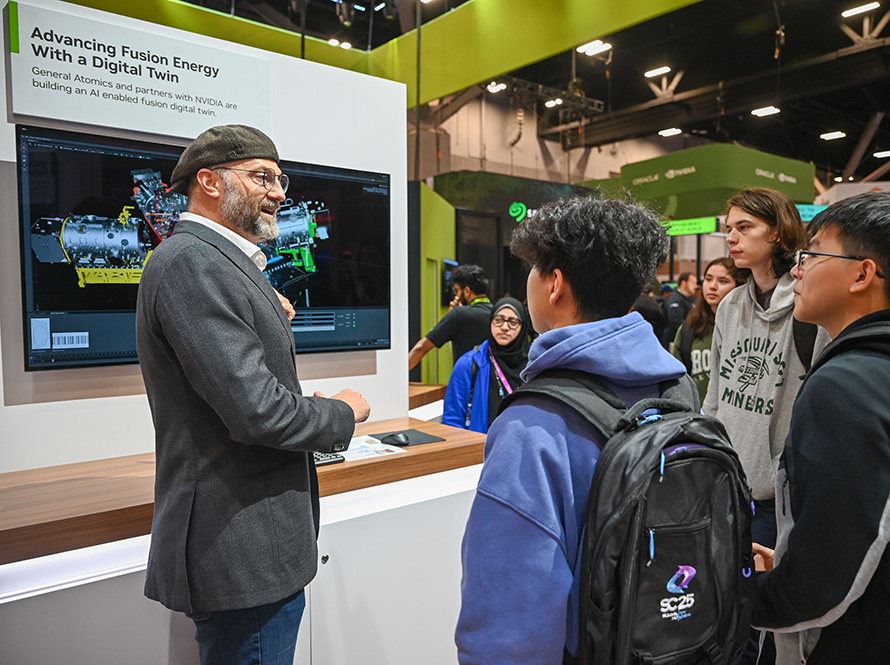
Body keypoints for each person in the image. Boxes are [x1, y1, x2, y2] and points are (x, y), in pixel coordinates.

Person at [135, 124, 370, 665]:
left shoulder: (220, 264)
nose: (280, 192)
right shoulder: (192, 262)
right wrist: (343, 413)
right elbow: (258, 412)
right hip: (242, 550)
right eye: (263, 177)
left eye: (280, 178)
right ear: (209, 182)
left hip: (252, 545)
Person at [455, 195, 687, 663]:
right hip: (672, 640)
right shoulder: (677, 387)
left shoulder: (532, 424)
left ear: (554, 284)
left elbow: (510, 622)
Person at [750, 191, 890, 664]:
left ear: (863, 273)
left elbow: (825, 582)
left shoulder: (845, 386)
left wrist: (748, 596)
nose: (797, 269)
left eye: (812, 253)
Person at [702, 188, 828, 665]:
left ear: (776, 231)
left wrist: (781, 475)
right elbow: (715, 392)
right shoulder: (730, 304)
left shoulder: (807, 304)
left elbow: (816, 399)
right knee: (723, 610)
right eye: (728, 227)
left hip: (776, 502)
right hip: (726, 489)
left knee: (767, 624)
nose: (730, 237)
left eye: (744, 227)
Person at [441, 297, 530, 433]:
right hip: (482, 450)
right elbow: (452, 422)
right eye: (499, 320)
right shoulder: (468, 364)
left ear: (523, 326)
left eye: (513, 322)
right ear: (491, 322)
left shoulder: (535, 364)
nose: (505, 327)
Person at [672, 257, 743, 402]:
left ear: (739, 286)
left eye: (723, 281)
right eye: (708, 279)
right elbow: (678, 381)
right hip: (698, 416)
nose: (712, 286)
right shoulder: (689, 328)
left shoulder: (747, 329)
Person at [408, 264, 492, 369]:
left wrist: (398, 375)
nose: (456, 295)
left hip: (467, 382)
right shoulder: (497, 314)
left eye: (457, 290)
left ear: (467, 291)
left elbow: (421, 348)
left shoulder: (459, 315)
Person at [660, 271, 698, 346]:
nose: (695, 286)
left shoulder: (685, 299)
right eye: (693, 283)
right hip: (673, 342)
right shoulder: (675, 299)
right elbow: (676, 322)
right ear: (684, 283)